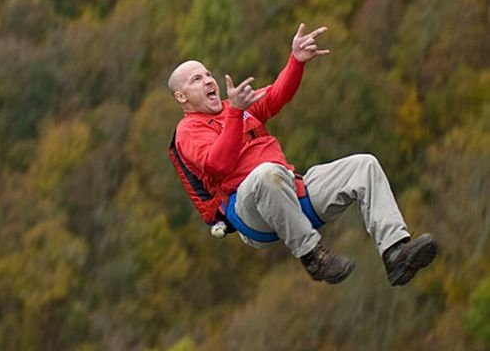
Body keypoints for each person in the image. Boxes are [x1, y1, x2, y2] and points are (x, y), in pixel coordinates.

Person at [167, 23, 438, 285]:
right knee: (266, 174)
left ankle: (395, 252)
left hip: (291, 191)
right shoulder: (188, 130)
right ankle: (314, 256)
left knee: (363, 165)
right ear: (182, 97)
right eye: (197, 79)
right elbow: (218, 164)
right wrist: (236, 113)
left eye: (208, 74)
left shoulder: (236, 107)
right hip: (250, 211)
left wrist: (296, 61)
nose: (208, 80)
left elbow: (275, 95)